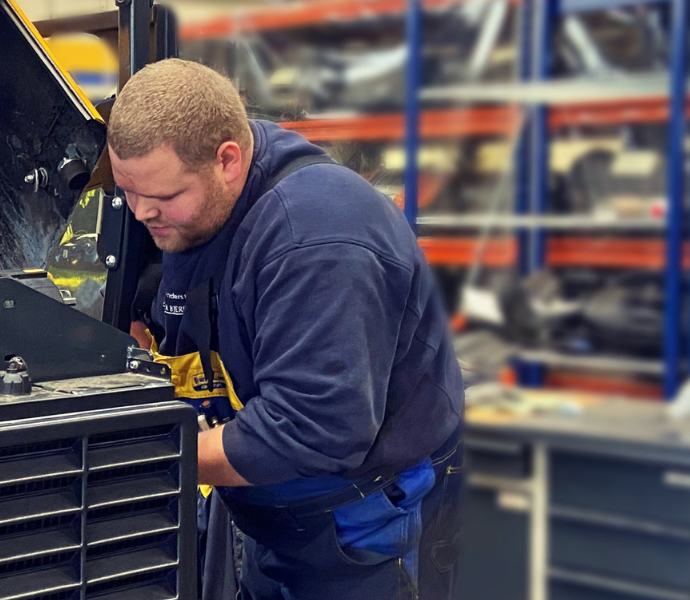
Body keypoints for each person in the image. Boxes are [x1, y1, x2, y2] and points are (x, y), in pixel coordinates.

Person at [107, 59, 466, 600]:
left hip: (362, 515)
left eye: (161, 199)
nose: (140, 213)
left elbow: (313, 431)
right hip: (273, 506)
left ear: (228, 160)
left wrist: (146, 452)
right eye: (128, 193)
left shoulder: (318, 237)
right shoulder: (197, 203)